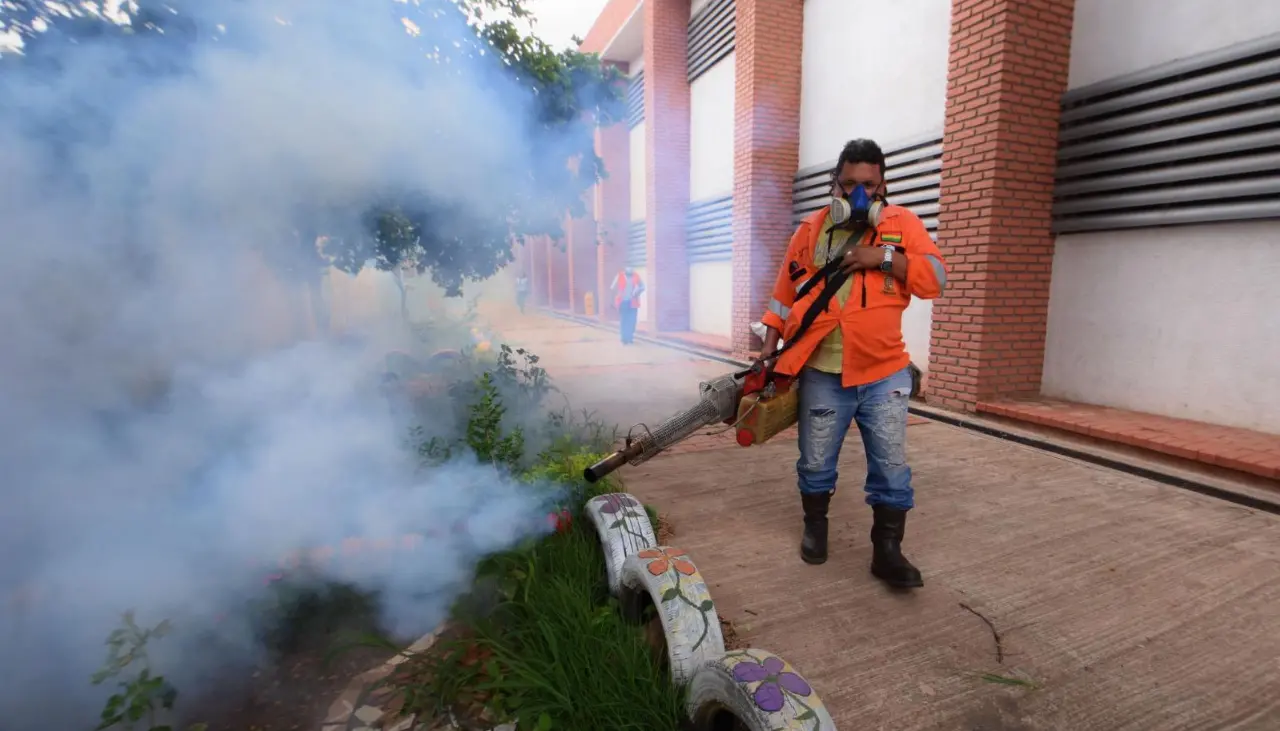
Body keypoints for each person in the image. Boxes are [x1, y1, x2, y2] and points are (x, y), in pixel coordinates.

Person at [756, 138, 948, 590]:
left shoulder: (903, 225)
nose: (858, 196)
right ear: (834, 184)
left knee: (891, 466)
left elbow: (936, 279)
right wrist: (768, 346)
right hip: (824, 371)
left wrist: (883, 257)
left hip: (884, 373)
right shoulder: (812, 230)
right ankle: (815, 528)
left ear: (883, 184)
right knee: (816, 459)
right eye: (848, 185)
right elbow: (783, 295)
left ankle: (887, 552)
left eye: (868, 185)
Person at [610, 266, 645, 345]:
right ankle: (624, 339)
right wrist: (614, 300)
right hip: (622, 302)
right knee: (624, 321)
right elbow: (612, 288)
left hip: (633, 302)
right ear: (625, 271)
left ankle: (630, 338)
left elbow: (643, 286)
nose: (630, 274)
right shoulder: (619, 276)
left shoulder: (636, 276)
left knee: (632, 321)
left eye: (631, 272)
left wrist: (637, 292)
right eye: (629, 273)